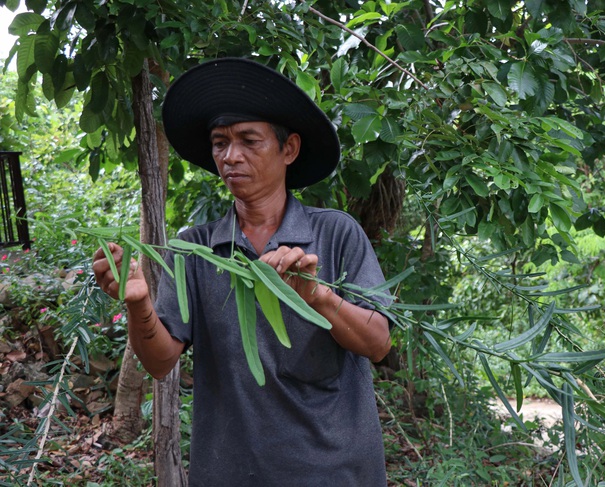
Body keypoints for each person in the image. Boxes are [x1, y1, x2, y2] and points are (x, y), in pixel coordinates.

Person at [92, 58, 392, 486]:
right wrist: (138, 300)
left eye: (249, 140)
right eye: (220, 143)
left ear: (288, 149)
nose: (230, 156)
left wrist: (318, 297)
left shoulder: (335, 233)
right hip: (231, 470)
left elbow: (377, 342)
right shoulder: (195, 248)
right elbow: (160, 362)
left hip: (333, 471)